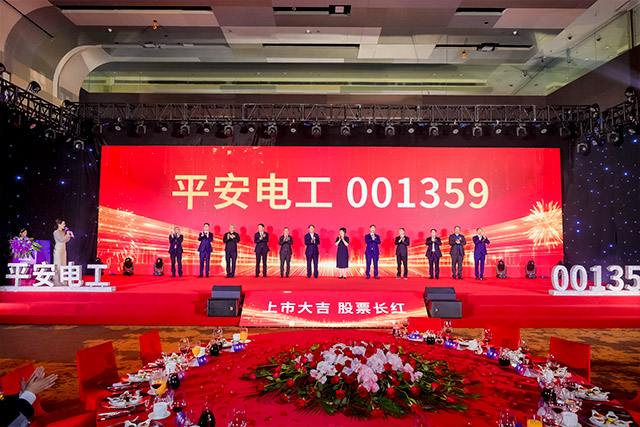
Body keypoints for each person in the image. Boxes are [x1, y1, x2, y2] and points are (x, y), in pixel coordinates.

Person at [53, 219, 71, 285]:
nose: (64, 225)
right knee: (58, 264)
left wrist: (68, 236)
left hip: (63, 249)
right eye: (63, 224)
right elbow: (61, 240)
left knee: (63, 264)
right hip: (58, 249)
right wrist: (67, 235)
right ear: (59, 225)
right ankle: (57, 281)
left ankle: (63, 281)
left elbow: (65, 240)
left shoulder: (63, 232)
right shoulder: (56, 232)